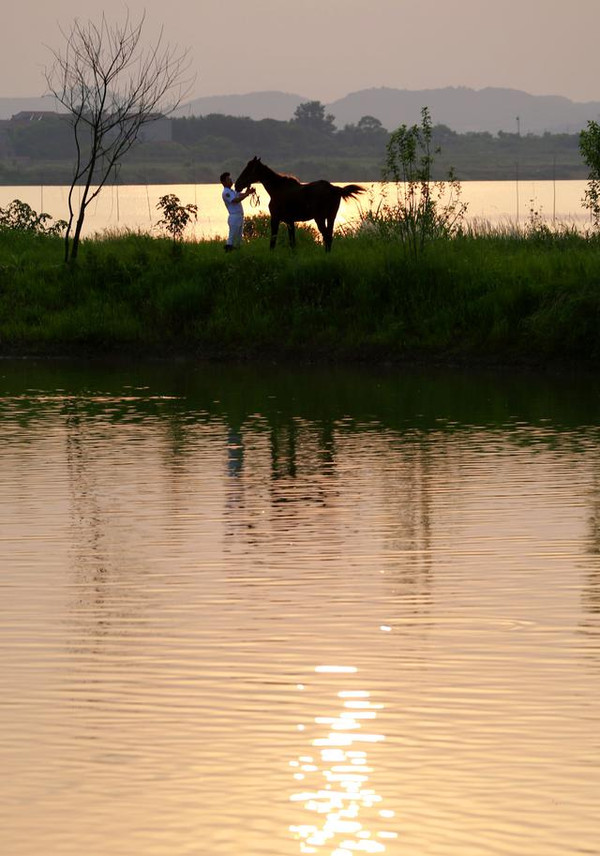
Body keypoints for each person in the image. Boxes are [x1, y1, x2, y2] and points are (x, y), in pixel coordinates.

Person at [220, 171, 255, 251]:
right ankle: (228, 249)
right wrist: (247, 194)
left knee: (239, 237)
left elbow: (240, 195)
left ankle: (236, 251)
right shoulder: (226, 192)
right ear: (223, 182)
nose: (231, 180)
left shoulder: (231, 191)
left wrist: (248, 191)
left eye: (230, 179)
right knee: (232, 236)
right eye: (228, 179)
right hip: (234, 216)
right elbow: (235, 200)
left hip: (239, 216)